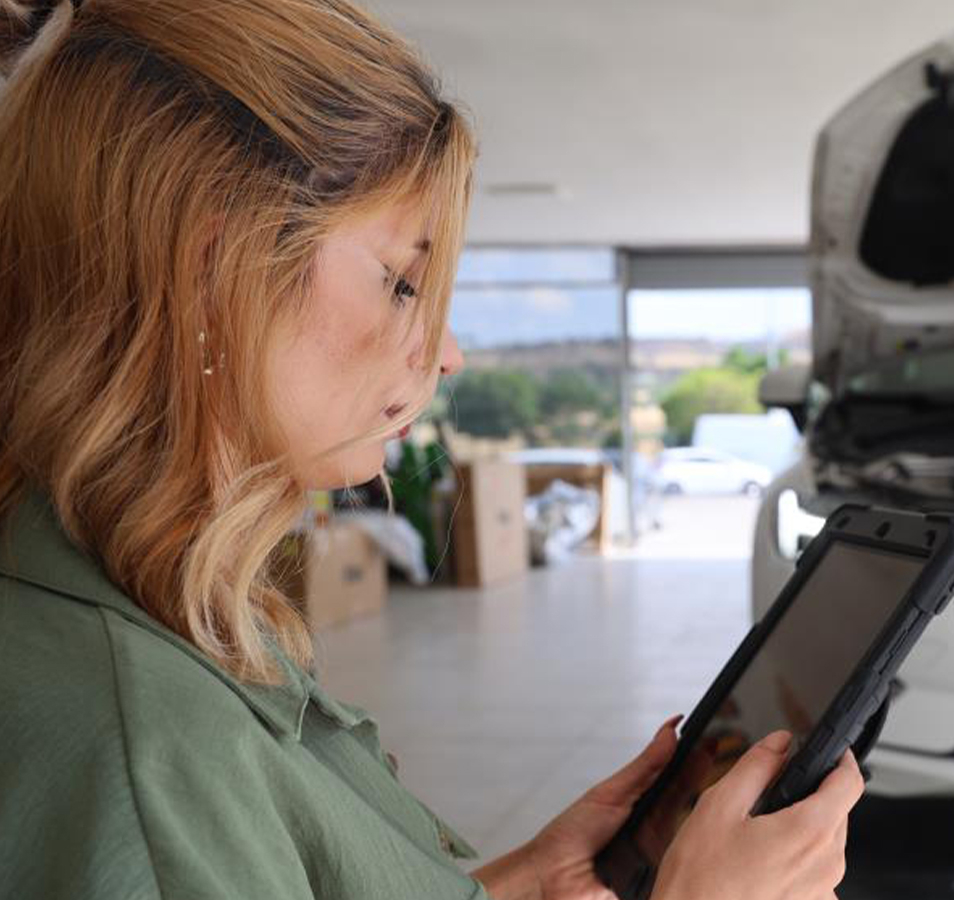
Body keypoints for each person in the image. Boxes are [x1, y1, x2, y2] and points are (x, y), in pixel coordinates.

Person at [0, 2, 862, 898]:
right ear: (214, 278)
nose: (447, 352)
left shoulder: (168, 609)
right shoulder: (150, 756)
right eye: (401, 282)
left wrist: (514, 885)